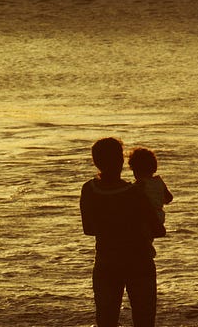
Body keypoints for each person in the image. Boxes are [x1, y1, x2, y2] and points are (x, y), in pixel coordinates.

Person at [80, 138, 157, 326]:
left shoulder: (89, 190)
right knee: (144, 320)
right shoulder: (135, 192)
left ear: (96, 161)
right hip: (139, 261)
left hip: (106, 262)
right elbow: (158, 229)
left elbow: (88, 229)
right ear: (121, 161)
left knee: (106, 320)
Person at [128, 148, 173, 239]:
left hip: (146, 220)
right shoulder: (159, 181)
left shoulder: (139, 185)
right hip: (160, 217)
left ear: (135, 170)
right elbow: (169, 198)